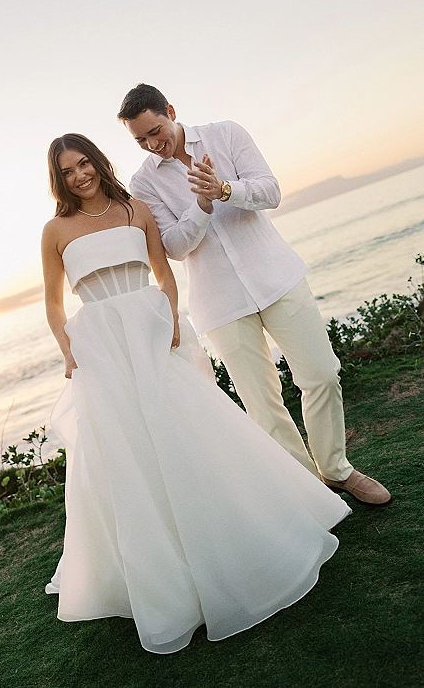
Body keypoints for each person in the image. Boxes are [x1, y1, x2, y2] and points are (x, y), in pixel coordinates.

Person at [41, 132, 350, 655]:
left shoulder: (136, 208)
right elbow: (52, 303)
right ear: (60, 179)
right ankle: (160, 572)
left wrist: (171, 322)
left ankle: (253, 523)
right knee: (126, 451)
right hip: (102, 347)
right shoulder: (54, 230)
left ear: (97, 162)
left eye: (84, 164)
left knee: (190, 431)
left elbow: (164, 273)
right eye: (67, 171)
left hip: (149, 329)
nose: (79, 176)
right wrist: (70, 352)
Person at [118, 83, 391, 505]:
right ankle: (311, 493)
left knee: (321, 374)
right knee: (263, 407)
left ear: (170, 110)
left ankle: (336, 470)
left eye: (156, 131)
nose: (154, 144)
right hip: (220, 303)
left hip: (276, 277)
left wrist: (225, 189)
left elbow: (271, 191)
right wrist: (202, 206)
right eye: (141, 139)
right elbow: (172, 247)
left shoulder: (226, 134)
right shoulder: (143, 183)